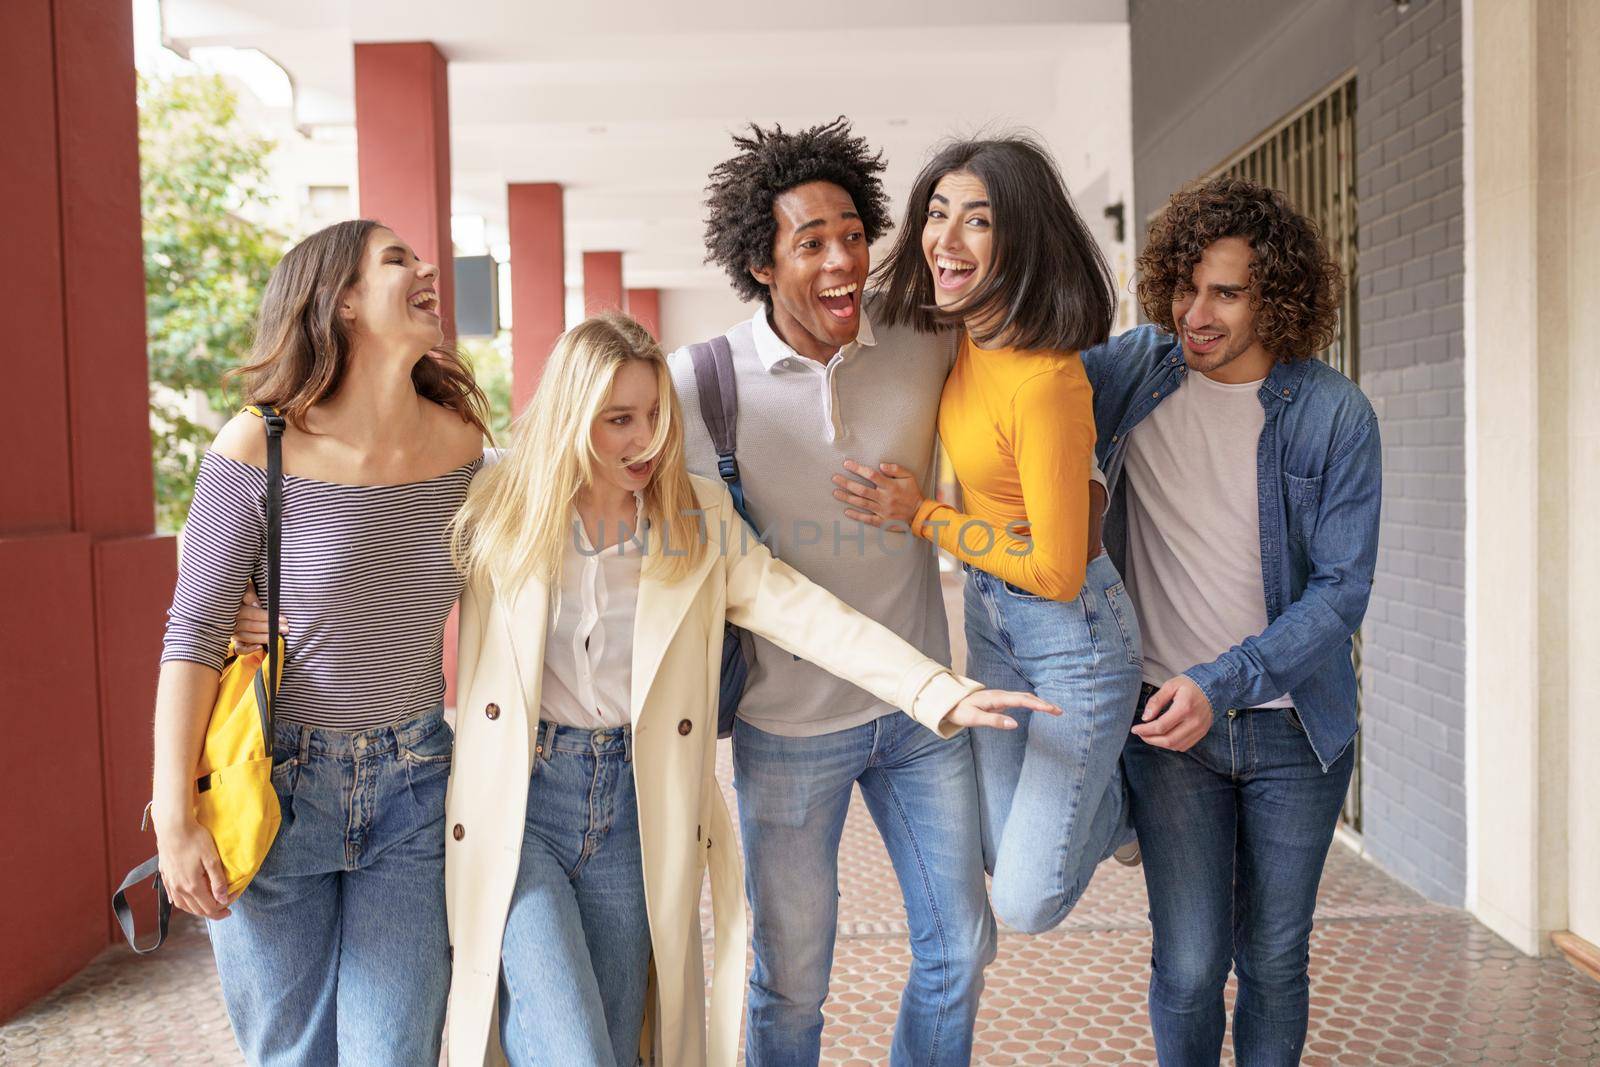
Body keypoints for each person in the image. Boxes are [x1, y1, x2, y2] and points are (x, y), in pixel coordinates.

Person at [437, 313, 1052, 1066]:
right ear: (570, 417)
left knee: (624, 1033)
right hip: (521, 804)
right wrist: (255, 606)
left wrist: (934, 688)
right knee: (572, 1043)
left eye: (657, 414)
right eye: (618, 420)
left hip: (637, 806)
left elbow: (799, 607)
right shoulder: (496, 498)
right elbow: (373, 557)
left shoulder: (694, 513)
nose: (646, 439)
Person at [671, 118, 997, 1066]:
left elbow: (1023, 360)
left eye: (852, 233)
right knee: (793, 981)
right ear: (762, 265)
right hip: (785, 731)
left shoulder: (921, 338)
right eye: (810, 241)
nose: (842, 257)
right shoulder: (703, 384)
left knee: (961, 951)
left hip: (919, 712)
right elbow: (578, 475)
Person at [152, 219, 489, 1065]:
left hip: (415, 786)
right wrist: (173, 815)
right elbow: (192, 633)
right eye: (396, 260)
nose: (425, 270)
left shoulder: (462, 451)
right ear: (340, 300)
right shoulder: (259, 442)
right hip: (275, 786)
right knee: (294, 1053)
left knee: (397, 1051)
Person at [1084, 175, 1381, 1065]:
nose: (1196, 312)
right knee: (1186, 962)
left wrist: (1226, 681)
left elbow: (1340, 591)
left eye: (1226, 291)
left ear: (1277, 298)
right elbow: (1018, 385)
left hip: (1298, 732)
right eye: (1185, 286)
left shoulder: (1333, 414)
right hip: (1170, 730)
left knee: (1274, 959)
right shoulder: (1133, 373)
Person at [835, 136, 1143, 934]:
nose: (947, 238)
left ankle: (1138, 787)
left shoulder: (1044, 382)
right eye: (938, 214)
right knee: (998, 850)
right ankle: (1115, 782)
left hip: (1072, 633)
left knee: (1025, 899)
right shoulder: (963, 333)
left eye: (978, 220)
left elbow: (1055, 570)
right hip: (993, 622)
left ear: (1022, 239)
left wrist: (921, 516)